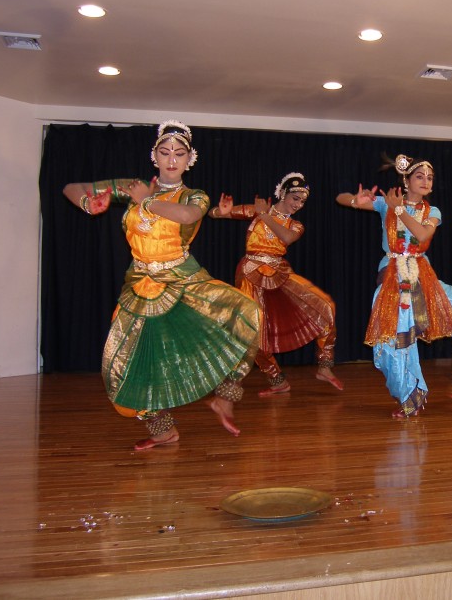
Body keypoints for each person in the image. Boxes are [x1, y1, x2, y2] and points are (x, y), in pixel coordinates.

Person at [62, 120, 262, 450]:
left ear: (189, 159)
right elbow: (73, 187)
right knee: (123, 364)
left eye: (179, 154)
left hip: (184, 279)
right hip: (140, 285)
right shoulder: (134, 186)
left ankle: (225, 397)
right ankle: (162, 429)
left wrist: (146, 201)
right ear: (154, 155)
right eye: (165, 152)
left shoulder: (195, 196)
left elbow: (187, 216)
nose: (171, 159)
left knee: (247, 313)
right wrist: (88, 203)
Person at [336, 154, 452, 418]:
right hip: (393, 278)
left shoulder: (432, 212)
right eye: (420, 176)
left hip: (423, 277)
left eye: (430, 177)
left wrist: (398, 210)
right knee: (395, 341)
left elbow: (422, 235)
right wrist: (355, 199)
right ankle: (409, 399)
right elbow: (341, 197)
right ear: (406, 181)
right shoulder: (386, 204)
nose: (426, 181)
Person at [208, 172, 342, 396]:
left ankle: (325, 364)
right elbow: (215, 213)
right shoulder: (256, 210)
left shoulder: (295, 225)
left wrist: (264, 215)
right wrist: (218, 212)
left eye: (302, 202)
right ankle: (276, 379)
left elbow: (286, 238)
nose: (298, 205)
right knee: (253, 331)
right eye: (295, 198)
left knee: (326, 306)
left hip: (278, 271)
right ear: (283, 193)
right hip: (250, 272)